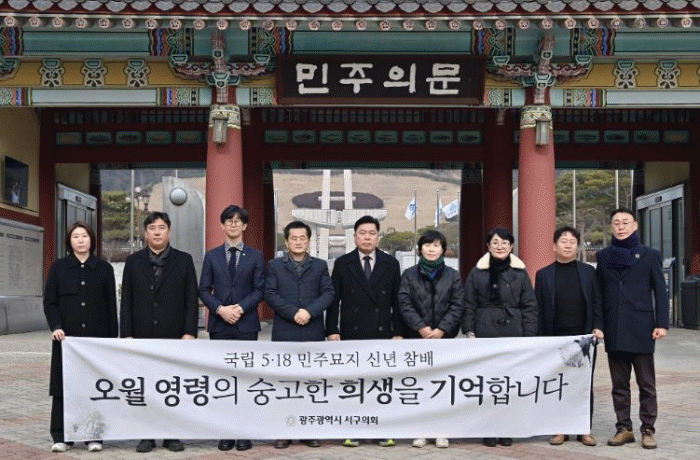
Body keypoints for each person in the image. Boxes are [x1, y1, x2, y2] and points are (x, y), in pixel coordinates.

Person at [120, 212, 198, 453]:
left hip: (174, 335)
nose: (157, 232)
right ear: (145, 233)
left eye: (161, 227)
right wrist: (127, 334)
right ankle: (147, 434)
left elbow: (191, 299)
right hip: (142, 334)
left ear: (169, 232)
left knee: (172, 386)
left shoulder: (184, 260)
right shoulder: (133, 262)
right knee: (145, 386)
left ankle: (172, 434)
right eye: (152, 228)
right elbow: (126, 300)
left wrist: (189, 332)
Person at [325, 215, 404, 447]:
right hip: (352, 331)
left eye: (371, 233)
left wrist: (398, 331)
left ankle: (382, 429)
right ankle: (354, 429)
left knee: (380, 383)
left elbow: (397, 301)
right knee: (354, 383)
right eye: (362, 233)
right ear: (354, 236)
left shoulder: (391, 264)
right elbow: (334, 300)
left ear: (378, 237)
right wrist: (332, 329)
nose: (367, 237)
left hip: (382, 332)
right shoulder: (343, 263)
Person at [596, 207, 669, 449]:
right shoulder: (603, 256)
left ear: (635, 225)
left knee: (647, 384)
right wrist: (598, 325)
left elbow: (660, 291)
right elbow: (599, 294)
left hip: (641, 327)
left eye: (625, 222)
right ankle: (624, 428)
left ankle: (648, 429)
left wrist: (662, 323)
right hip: (614, 326)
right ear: (611, 227)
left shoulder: (649, 255)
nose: (621, 227)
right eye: (616, 222)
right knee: (619, 385)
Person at [44, 222, 117, 453]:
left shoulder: (104, 269)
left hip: (95, 342)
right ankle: (61, 436)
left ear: (91, 239)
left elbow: (111, 306)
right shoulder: (59, 268)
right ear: (69, 241)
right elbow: (50, 302)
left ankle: (93, 436)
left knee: (93, 387)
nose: (81, 240)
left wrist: (111, 340)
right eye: (75, 236)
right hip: (66, 341)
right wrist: (56, 326)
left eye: (84, 236)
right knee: (62, 387)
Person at [462, 226, 537, 448]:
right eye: (495, 242)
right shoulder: (477, 273)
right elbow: (469, 304)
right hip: (485, 330)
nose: (500, 246)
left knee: (509, 384)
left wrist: (529, 336)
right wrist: (469, 331)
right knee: (488, 383)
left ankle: (507, 428)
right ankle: (488, 428)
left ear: (511, 246)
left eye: (504, 243)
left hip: (513, 331)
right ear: (488, 246)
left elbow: (530, 306)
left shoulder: (520, 273)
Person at [199, 204, 264, 452]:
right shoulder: (212, 256)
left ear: (244, 226)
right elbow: (203, 289)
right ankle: (225, 432)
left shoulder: (255, 256)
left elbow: (260, 289)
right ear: (222, 225)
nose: (233, 224)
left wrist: (240, 309)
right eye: (229, 220)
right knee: (223, 380)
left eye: (238, 221)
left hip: (246, 325)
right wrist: (220, 310)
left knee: (245, 380)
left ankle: (244, 432)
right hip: (220, 325)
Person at [265, 221, 335, 449]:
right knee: (284, 383)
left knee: (310, 383)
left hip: (312, 330)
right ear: (286, 242)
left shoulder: (320, 266)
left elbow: (328, 293)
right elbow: (270, 293)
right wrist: (293, 313)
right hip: (285, 330)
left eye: (302, 238)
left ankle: (308, 430)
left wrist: (309, 312)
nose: (298, 242)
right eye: (293, 238)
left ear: (309, 241)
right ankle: (284, 431)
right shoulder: (275, 265)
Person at [535, 226, 604, 447]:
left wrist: (598, 327)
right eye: (563, 241)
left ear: (577, 247)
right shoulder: (543, 274)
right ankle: (560, 429)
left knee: (583, 384)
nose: (568, 245)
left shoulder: (588, 272)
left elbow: (597, 302)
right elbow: (538, 309)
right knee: (558, 384)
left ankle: (584, 429)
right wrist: (538, 339)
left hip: (584, 338)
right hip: (555, 339)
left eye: (572, 242)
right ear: (554, 246)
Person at [397, 229, 464, 449]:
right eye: (427, 245)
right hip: (417, 339)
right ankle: (420, 430)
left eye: (436, 245)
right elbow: (404, 303)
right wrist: (421, 328)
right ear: (420, 249)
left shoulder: (453, 275)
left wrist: (442, 329)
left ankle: (442, 430)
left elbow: (457, 305)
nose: (431, 249)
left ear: (443, 249)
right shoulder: (409, 275)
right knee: (419, 386)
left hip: (444, 341)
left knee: (442, 386)